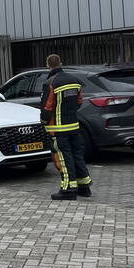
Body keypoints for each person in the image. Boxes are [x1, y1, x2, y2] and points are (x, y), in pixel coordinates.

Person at [39, 54, 92, 200]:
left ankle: (68, 190)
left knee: (63, 158)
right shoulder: (75, 81)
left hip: (58, 129)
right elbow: (79, 101)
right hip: (74, 126)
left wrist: (43, 122)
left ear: (47, 65)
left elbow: (47, 107)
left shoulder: (51, 82)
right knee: (77, 155)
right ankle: (84, 187)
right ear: (61, 63)